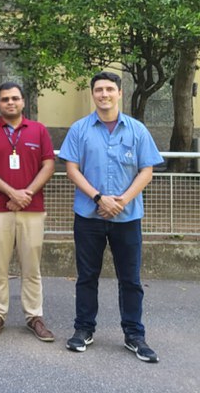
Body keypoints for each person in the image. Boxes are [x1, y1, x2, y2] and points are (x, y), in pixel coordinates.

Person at [59, 71, 162, 363]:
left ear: (119, 92)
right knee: (87, 277)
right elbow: (72, 169)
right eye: (98, 90)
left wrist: (122, 201)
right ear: (93, 94)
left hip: (127, 218)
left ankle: (134, 335)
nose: (104, 94)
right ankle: (83, 330)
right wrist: (99, 198)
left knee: (130, 279)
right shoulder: (79, 129)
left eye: (109, 89)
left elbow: (147, 170)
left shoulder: (137, 130)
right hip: (88, 217)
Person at [0, 82, 56, 341]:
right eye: (4, 99)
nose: (10, 102)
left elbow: (48, 166)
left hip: (32, 210)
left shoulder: (39, 130)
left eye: (15, 98)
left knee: (31, 267)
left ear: (23, 102)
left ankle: (34, 316)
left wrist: (25, 195)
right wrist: (12, 193)